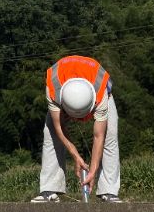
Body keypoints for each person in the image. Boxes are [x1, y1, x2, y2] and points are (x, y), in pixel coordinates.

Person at [32, 55, 121, 203]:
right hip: (61, 94)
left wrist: (92, 170)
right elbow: (59, 127)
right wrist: (76, 156)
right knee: (51, 133)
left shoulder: (100, 93)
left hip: (100, 92)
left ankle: (109, 191)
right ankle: (49, 190)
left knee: (110, 134)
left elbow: (99, 136)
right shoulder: (53, 89)